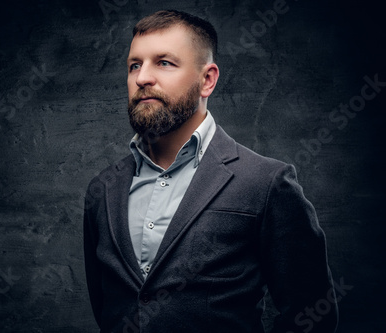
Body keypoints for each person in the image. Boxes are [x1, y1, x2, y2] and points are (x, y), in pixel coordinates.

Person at [83, 9, 338, 333]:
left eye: (164, 62)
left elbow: (313, 316)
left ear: (207, 79)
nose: (142, 78)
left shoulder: (266, 184)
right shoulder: (102, 190)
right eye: (135, 64)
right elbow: (106, 309)